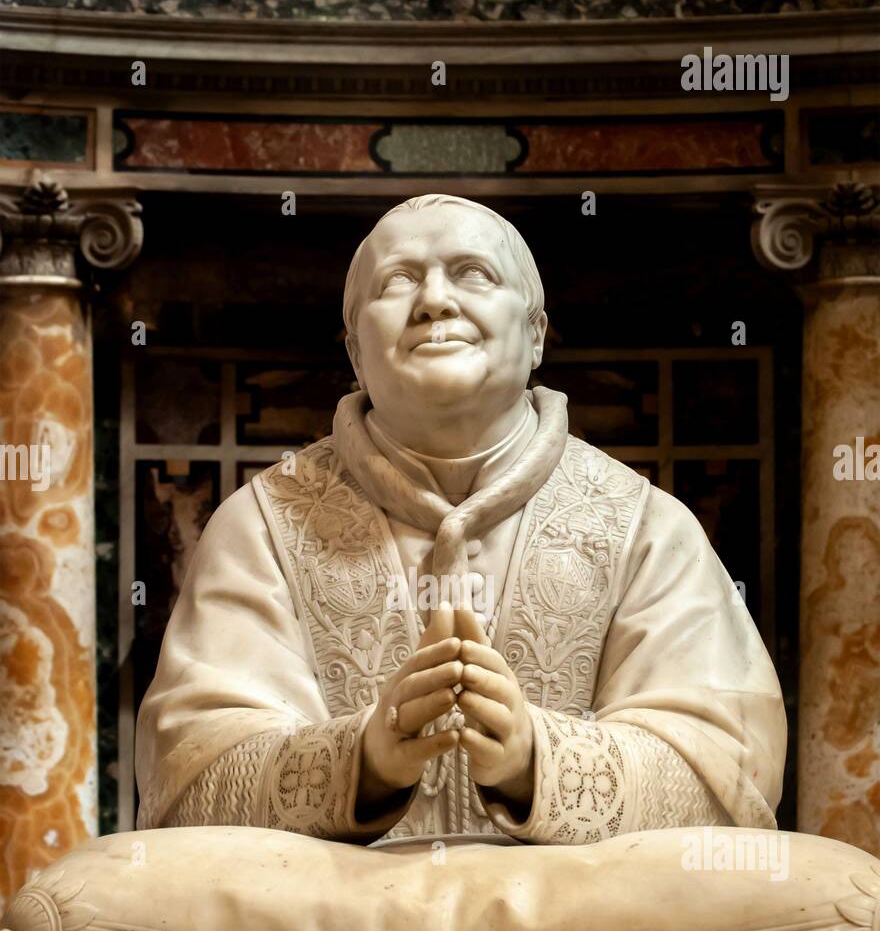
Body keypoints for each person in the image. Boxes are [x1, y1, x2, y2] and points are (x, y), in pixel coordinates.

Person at [135, 194, 786, 844]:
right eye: (399, 280)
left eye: (472, 273)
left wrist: (536, 760)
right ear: (356, 353)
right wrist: (361, 760)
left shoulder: (645, 528)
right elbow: (185, 775)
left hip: (572, 923)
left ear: (535, 335)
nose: (435, 301)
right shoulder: (261, 526)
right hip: (334, 923)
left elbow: (735, 776)